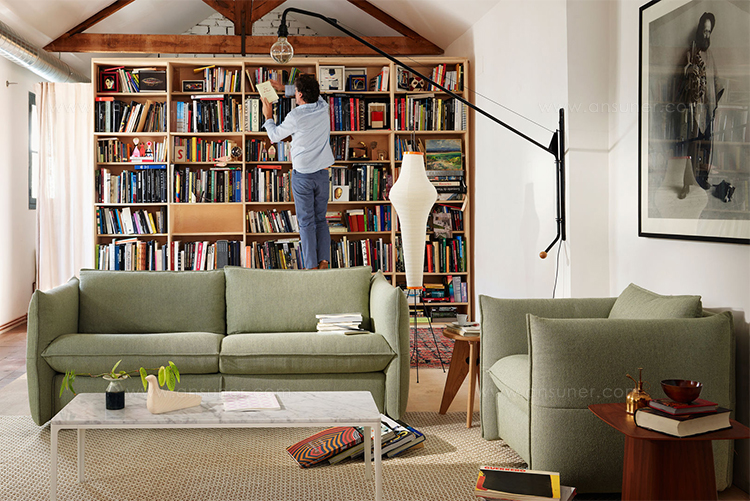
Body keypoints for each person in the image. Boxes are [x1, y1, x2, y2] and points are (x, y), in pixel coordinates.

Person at [262, 74, 335, 269]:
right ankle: (324, 261)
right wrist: (283, 88)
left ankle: (311, 266)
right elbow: (315, 95)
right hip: (322, 174)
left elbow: (274, 136)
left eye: (295, 92)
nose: (294, 94)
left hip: (303, 176)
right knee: (321, 219)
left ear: (300, 94)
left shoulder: (295, 116)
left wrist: (268, 115)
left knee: (306, 222)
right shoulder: (324, 107)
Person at [678, 11, 724, 198]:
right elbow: (682, 79)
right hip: (693, 110)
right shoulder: (690, 53)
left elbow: (717, 81)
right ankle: (686, 184)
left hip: (707, 108)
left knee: (706, 146)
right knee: (691, 146)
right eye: (704, 30)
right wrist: (689, 71)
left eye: (709, 32)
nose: (706, 35)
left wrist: (714, 102)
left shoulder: (710, 55)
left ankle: (703, 179)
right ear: (699, 30)